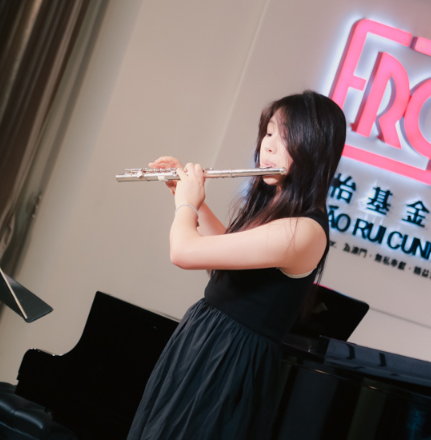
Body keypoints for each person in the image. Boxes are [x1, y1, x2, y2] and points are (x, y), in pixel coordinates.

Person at [126, 91, 347, 440]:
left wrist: (187, 204)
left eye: (284, 137)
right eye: (269, 132)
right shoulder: (276, 207)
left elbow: (183, 252)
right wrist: (184, 195)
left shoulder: (305, 230)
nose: (268, 145)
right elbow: (227, 253)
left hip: (230, 359)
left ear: (313, 148)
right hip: (204, 340)